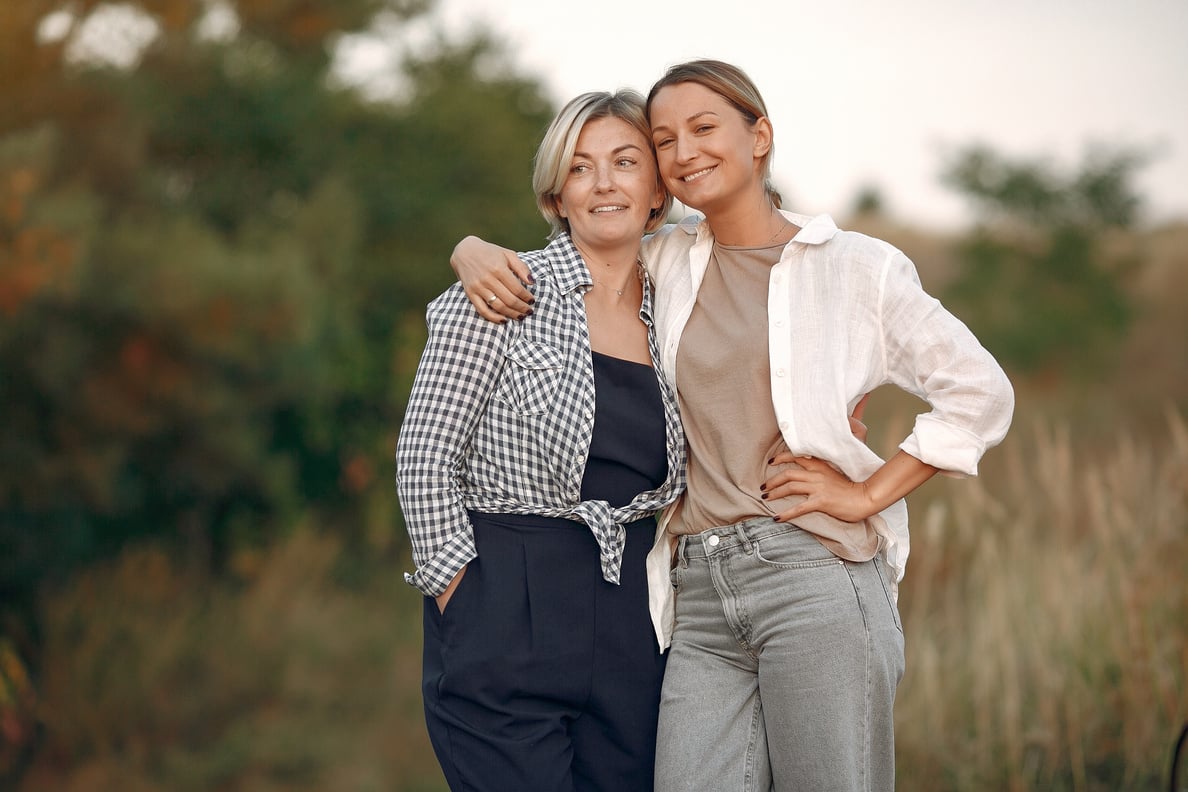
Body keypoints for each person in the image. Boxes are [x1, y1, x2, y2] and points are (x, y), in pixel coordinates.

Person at [450, 59, 1015, 792]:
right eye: (664, 140)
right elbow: (577, 248)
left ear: (760, 136)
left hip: (813, 575)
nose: (684, 152)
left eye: (704, 128)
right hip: (698, 597)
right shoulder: (666, 261)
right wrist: (470, 252)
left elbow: (979, 392)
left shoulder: (856, 269)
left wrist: (867, 493)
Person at [395, 90, 687, 792]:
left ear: (657, 189)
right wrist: (459, 594)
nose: (605, 183)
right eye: (581, 169)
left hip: (632, 611)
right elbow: (424, 457)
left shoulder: (680, 304)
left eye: (625, 162)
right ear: (558, 195)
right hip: (505, 595)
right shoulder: (500, 292)